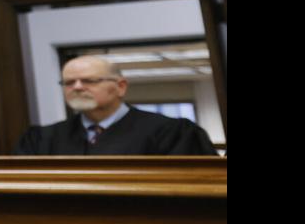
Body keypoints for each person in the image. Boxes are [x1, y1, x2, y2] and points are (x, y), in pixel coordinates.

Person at [15, 55, 217, 156]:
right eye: (69, 82)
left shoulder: (173, 133)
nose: (77, 87)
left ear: (120, 87)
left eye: (89, 81)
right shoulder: (41, 139)